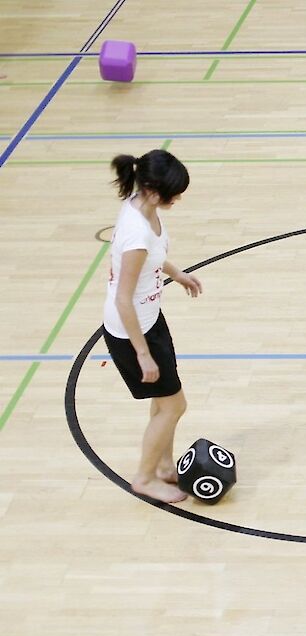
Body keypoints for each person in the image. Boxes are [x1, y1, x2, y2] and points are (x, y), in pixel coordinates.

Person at [101, 149, 204, 504]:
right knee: (175, 405)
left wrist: (177, 273)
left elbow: (154, 255)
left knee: (165, 401)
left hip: (149, 320)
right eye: (173, 192)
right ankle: (144, 478)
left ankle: (163, 467)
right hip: (133, 332)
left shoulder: (140, 206)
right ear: (152, 189)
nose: (177, 198)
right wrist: (142, 354)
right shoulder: (136, 235)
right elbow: (122, 299)